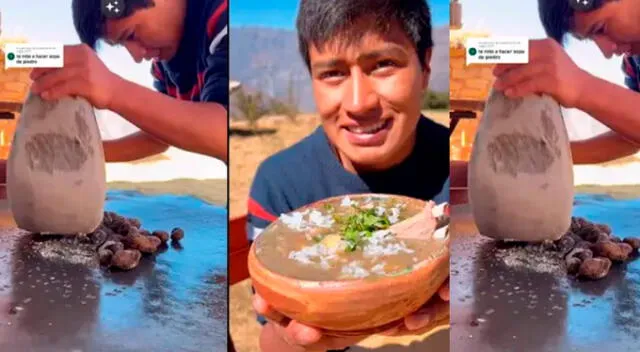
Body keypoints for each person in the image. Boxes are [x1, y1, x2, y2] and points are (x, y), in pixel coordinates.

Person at [246, 0, 449, 350]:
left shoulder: (466, 172)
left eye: (384, 65)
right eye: (332, 73)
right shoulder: (280, 185)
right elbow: (271, 334)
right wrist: (304, 339)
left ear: (426, 64)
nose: (359, 103)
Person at [28, 0, 228, 163]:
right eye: (121, 45)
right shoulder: (165, 65)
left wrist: (113, 91)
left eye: (131, 34)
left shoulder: (225, 14)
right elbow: (159, 135)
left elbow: (224, 132)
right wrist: (80, 153)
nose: (137, 56)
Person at [491, 0, 640, 161]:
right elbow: (631, 132)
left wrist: (581, 88)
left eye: (601, 28)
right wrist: (547, 153)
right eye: (591, 38)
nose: (607, 52)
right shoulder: (633, 62)